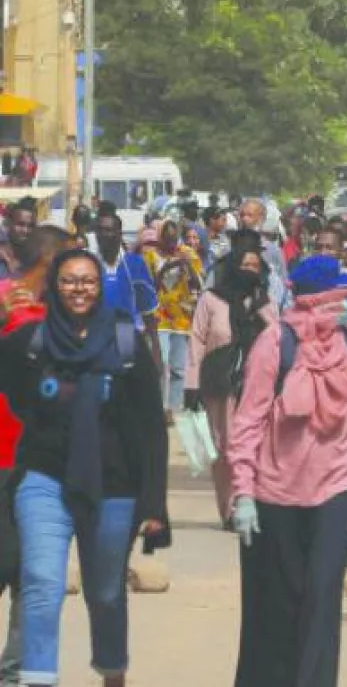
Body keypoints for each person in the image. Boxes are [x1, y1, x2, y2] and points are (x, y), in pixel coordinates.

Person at [0, 249, 169, 687]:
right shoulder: (32, 343)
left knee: (106, 592)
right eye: (69, 280)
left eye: (88, 281)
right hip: (44, 479)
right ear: (55, 286)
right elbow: (13, 388)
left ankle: (112, 672)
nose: (79, 289)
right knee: (41, 583)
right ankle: (37, 678)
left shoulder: (125, 344)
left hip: (114, 487)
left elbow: (151, 427)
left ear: (101, 287)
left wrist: (154, 502)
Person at [227, 254, 347, 687]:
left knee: (323, 596)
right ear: (322, 299)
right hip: (277, 488)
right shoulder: (274, 343)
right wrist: (242, 493)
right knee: (282, 603)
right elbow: (248, 422)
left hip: (339, 483)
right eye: (343, 295)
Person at [186, 245, 277, 526]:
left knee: (255, 445)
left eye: (255, 266)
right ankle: (228, 508)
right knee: (224, 447)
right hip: (219, 382)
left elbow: (278, 336)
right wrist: (192, 385)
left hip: (256, 384)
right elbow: (197, 340)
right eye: (245, 265)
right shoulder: (211, 299)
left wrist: (262, 311)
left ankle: (250, 501)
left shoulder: (265, 301)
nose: (250, 271)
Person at [144, 220, 204, 421]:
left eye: (173, 239)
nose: (171, 243)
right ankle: (160, 405)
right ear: (161, 237)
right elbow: (149, 286)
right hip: (159, 317)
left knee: (179, 367)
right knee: (161, 362)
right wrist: (166, 268)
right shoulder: (151, 256)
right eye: (167, 239)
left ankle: (174, 407)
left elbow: (198, 285)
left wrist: (186, 265)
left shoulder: (188, 254)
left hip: (181, 318)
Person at [92, 211, 158, 337]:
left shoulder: (134, 263)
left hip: (126, 332)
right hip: (96, 333)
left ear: (119, 233)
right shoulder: (88, 263)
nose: (102, 234)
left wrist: (155, 345)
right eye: (99, 230)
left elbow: (147, 309)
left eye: (108, 230)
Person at [238, 199, 288, 310]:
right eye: (242, 215)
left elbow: (283, 283)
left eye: (249, 215)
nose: (244, 219)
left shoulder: (273, 251)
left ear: (261, 219)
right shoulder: (229, 249)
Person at [0, 200, 37, 281]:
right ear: (9, 223)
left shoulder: (37, 253)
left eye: (31, 226)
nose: (25, 230)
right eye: (20, 224)